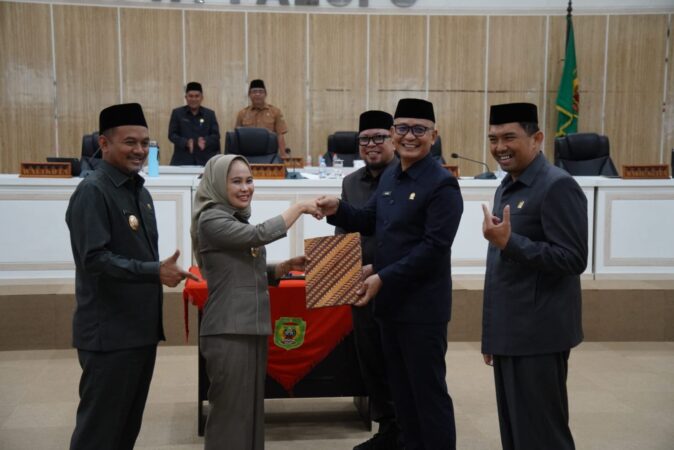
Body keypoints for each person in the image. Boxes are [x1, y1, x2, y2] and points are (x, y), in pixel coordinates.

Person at [316, 98, 464, 450]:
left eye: (419, 129)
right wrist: (338, 209)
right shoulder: (391, 178)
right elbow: (369, 219)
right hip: (389, 308)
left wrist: (381, 276)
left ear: (433, 135)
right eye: (402, 128)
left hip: (421, 310)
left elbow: (433, 249)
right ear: (394, 133)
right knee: (402, 394)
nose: (409, 136)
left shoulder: (441, 184)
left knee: (427, 396)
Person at [66, 103, 198, 450]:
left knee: (124, 431)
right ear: (104, 143)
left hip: (138, 332)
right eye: (129, 142)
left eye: (144, 143)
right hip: (109, 336)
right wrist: (155, 272)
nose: (139, 150)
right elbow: (94, 260)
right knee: (99, 434)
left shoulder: (138, 190)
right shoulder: (93, 191)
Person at [191, 154, 319, 450]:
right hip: (229, 330)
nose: (245, 187)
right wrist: (299, 207)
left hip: (249, 326)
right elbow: (258, 235)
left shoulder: (233, 217)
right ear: (217, 184)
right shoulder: (211, 218)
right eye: (236, 181)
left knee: (249, 413)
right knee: (230, 414)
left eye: (249, 180)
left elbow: (239, 269)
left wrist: (282, 267)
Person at [481, 102, 587, 450]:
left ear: (537, 138)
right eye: (493, 139)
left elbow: (573, 258)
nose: (500, 147)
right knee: (516, 433)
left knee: (543, 435)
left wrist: (510, 242)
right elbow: (501, 272)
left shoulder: (557, 185)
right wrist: (492, 335)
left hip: (540, 334)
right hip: (511, 331)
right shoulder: (507, 185)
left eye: (509, 137)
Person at [335, 110, 401, 450]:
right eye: (364, 139)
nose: (371, 145)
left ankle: (407, 429)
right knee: (371, 359)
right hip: (362, 287)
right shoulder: (350, 183)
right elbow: (344, 232)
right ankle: (387, 428)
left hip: (399, 284)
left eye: (379, 137)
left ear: (394, 139)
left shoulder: (407, 177)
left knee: (400, 361)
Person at [169, 81, 221, 165]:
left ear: (202, 98)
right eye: (191, 96)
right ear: (186, 97)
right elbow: (172, 135)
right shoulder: (177, 113)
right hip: (182, 160)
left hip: (204, 161)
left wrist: (205, 141)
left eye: (197, 96)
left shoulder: (210, 114)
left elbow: (216, 135)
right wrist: (186, 142)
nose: (193, 99)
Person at [235, 79, 288, 157]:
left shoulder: (275, 112)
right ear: (249, 94)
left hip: (269, 155)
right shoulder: (242, 113)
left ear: (265, 94)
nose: (257, 94)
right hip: (247, 155)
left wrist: (283, 156)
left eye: (261, 91)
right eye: (254, 91)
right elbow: (237, 137)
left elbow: (280, 135)